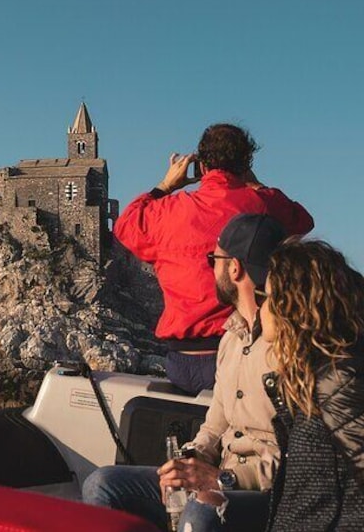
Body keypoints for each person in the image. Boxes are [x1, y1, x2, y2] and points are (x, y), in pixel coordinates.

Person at [83, 213, 287, 531]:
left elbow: (303, 460)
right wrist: (194, 458)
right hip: (220, 475)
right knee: (102, 484)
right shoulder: (232, 337)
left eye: (213, 259)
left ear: (234, 268)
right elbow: (217, 419)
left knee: (201, 515)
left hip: (265, 492)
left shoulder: (290, 346)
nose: (210, 268)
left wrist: (223, 478)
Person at [114, 124, 313, 394]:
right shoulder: (263, 205)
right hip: (243, 354)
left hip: (182, 362)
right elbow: (302, 221)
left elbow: (125, 226)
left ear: (202, 166)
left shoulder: (169, 212)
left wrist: (165, 185)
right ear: (245, 164)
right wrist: (255, 184)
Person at [259, 239, 364, 531]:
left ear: (293, 305)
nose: (262, 307)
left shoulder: (338, 382)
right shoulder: (310, 378)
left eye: (268, 296)